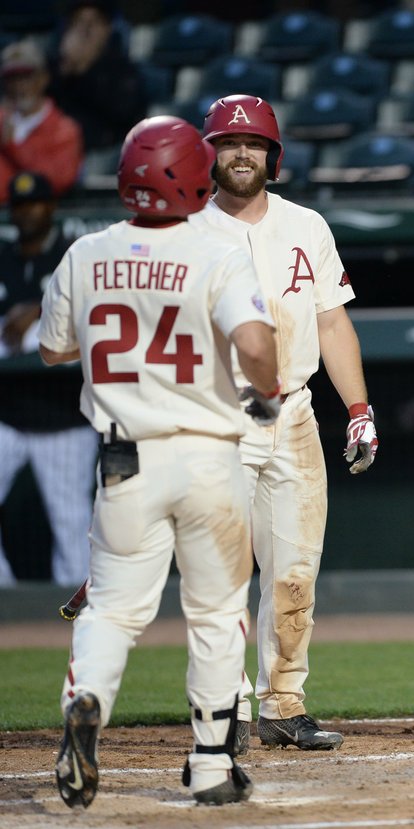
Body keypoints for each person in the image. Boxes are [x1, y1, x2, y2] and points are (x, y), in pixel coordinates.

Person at [39, 114, 281, 807]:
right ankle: (210, 764)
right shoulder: (216, 252)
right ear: (195, 178)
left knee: (113, 610)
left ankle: (87, 698)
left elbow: (53, 348)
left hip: (125, 460)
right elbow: (259, 347)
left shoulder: (84, 254)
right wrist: (263, 393)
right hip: (209, 455)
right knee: (214, 611)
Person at [190, 93, 378, 754]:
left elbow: (331, 322)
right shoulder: (184, 231)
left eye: (253, 144)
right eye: (227, 144)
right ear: (207, 154)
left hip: (294, 412)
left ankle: (282, 703)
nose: (241, 154)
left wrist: (358, 408)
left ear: (275, 155)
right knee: (218, 577)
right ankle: (220, 709)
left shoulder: (307, 226)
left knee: (294, 574)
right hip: (218, 414)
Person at [0, 171, 94, 587]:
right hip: (10, 416)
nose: (26, 212)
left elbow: (95, 304)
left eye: (34, 203)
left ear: (51, 206)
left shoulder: (74, 252)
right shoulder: (3, 256)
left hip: (63, 419)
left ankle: (72, 625)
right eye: (19, 205)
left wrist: (39, 308)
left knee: (71, 523)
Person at [47, 0, 148, 152]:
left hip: (107, 153)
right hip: (58, 150)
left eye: (93, 22)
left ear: (107, 28)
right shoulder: (56, 69)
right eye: (78, 22)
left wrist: (84, 70)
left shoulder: (123, 69)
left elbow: (123, 114)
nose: (85, 31)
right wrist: (65, 71)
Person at [0, 39, 83, 205]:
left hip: (44, 223)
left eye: (26, 77)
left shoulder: (64, 130)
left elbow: (58, 180)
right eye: (12, 78)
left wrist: (14, 147)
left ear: (43, 78)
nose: (18, 85)